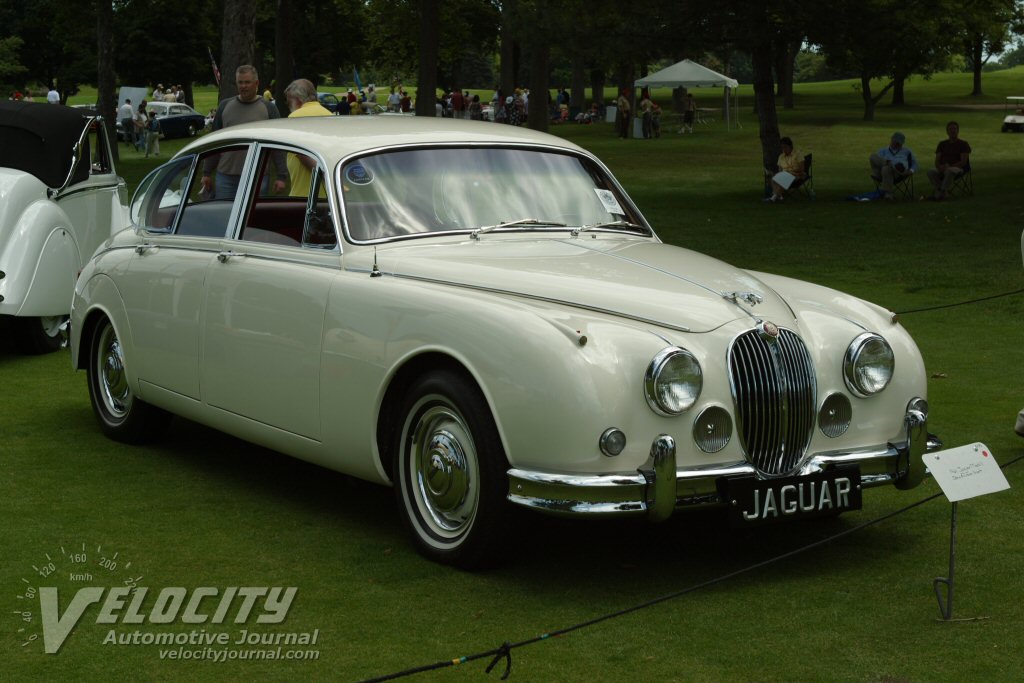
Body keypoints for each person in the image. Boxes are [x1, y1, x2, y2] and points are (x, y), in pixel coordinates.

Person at [202, 65, 287, 199]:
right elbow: (215, 143)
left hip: (257, 177)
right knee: (224, 215)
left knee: (254, 218)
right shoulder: (224, 106)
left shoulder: (269, 109)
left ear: (256, 83)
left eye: (247, 82)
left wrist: (281, 176)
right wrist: (206, 173)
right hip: (226, 177)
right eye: (240, 82)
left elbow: (277, 146)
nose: (243, 86)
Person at [283, 78, 331, 197]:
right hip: (328, 194)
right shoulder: (330, 116)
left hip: (303, 195)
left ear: (298, 100)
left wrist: (324, 175)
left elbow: (301, 154)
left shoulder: (295, 117)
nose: (288, 105)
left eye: (289, 102)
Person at [926, 121, 971, 201]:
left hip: (958, 168)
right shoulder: (942, 144)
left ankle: (941, 193)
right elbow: (937, 160)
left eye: (955, 129)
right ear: (947, 132)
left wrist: (949, 167)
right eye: (950, 129)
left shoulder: (963, 144)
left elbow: (963, 162)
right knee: (930, 171)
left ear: (958, 130)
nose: (953, 131)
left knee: (949, 171)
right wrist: (940, 167)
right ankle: (943, 192)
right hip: (943, 167)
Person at [869, 132, 917, 200]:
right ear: (891, 140)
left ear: (902, 143)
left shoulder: (907, 151)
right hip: (881, 174)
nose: (897, 145)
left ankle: (888, 194)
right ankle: (888, 164)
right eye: (896, 142)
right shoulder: (883, 150)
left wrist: (911, 171)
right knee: (873, 157)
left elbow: (914, 164)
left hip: (899, 173)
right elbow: (876, 163)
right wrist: (887, 163)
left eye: (899, 143)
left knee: (886, 168)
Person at [765, 136, 805, 202]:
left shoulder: (797, 154)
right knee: (773, 178)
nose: (784, 149)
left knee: (783, 179)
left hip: (797, 175)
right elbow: (780, 170)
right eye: (782, 147)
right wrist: (779, 174)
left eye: (785, 147)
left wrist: (788, 171)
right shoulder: (781, 156)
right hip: (784, 174)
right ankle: (780, 197)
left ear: (790, 146)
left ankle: (773, 198)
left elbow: (801, 169)